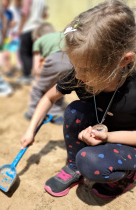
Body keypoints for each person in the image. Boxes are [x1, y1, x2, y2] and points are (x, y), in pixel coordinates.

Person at [20, 0, 136, 199]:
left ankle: (127, 176)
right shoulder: (79, 75)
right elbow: (48, 97)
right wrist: (30, 131)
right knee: (75, 110)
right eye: (76, 65)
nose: (79, 75)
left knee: (90, 162)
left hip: (128, 141)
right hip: (101, 130)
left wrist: (107, 138)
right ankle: (73, 166)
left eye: (88, 69)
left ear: (124, 60)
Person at [24, 22, 73, 124]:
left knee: (37, 89)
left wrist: (35, 78)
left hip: (54, 59)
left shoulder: (39, 41)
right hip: (71, 62)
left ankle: (33, 112)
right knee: (59, 87)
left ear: (37, 37)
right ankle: (57, 114)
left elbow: (36, 65)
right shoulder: (62, 35)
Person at [17, 0, 47, 84]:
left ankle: (26, 75)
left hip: (28, 28)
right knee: (34, 53)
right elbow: (44, 15)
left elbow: (25, 14)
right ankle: (34, 76)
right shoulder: (43, 1)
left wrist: (20, 28)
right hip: (38, 29)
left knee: (24, 52)